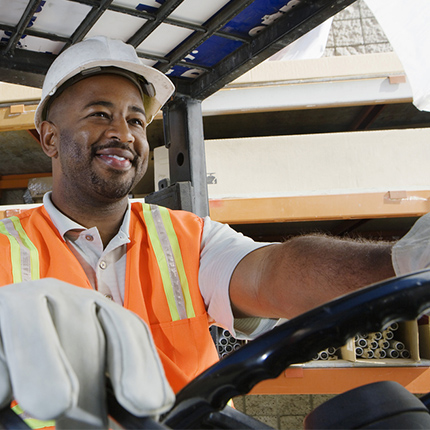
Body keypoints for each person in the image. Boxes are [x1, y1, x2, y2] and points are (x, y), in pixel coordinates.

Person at [0, 36, 396, 428]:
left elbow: (271, 272)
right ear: (50, 138)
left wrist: (399, 262)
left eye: (136, 119)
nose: (124, 133)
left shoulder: (189, 238)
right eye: (100, 114)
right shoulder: (5, 247)